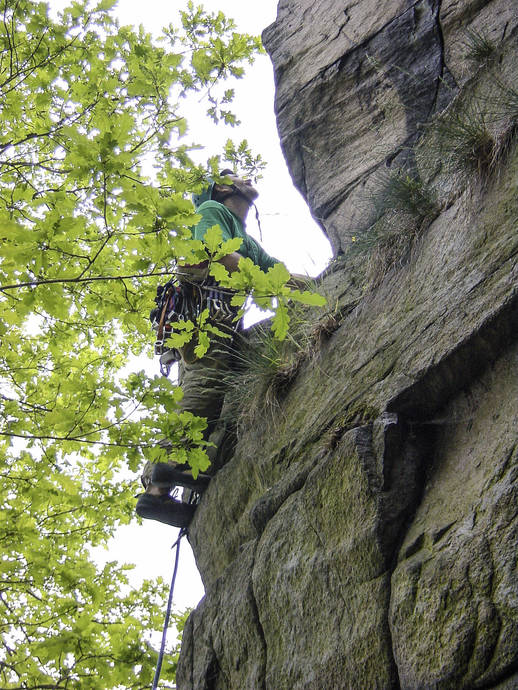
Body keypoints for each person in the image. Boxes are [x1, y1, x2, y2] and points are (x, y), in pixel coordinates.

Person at [136, 170, 304, 528]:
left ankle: (158, 497)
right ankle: (168, 467)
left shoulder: (244, 237)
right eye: (233, 175)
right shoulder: (213, 209)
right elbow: (212, 254)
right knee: (206, 385)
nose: (244, 177)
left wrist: (315, 285)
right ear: (223, 188)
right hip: (204, 313)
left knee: (213, 385)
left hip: (223, 318)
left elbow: (276, 273)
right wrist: (261, 278)